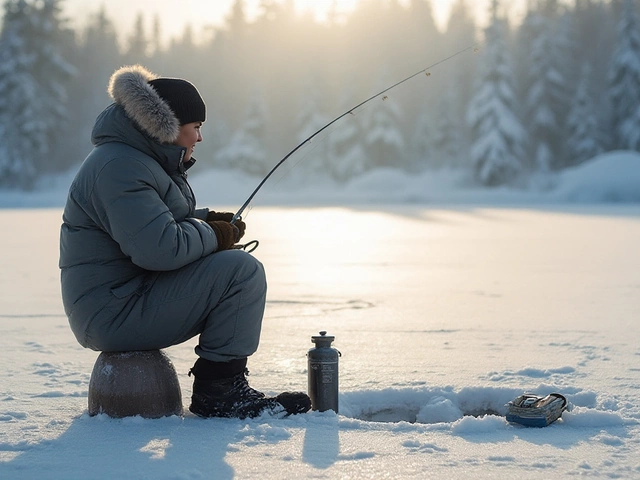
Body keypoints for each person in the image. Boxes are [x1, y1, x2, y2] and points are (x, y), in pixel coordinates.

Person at [59, 65, 310, 419]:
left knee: (233, 269)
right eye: (196, 128)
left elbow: (157, 220)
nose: (199, 138)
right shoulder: (120, 167)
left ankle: (221, 387)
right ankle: (220, 393)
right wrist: (214, 235)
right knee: (240, 272)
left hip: (123, 298)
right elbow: (160, 247)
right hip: (112, 312)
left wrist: (208, 220)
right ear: (169, 127)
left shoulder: (134, 159)